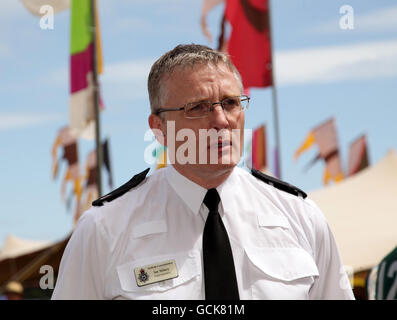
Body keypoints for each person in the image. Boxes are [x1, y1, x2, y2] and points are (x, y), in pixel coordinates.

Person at [52, 44, 354, 300]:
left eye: (231, 103)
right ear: (159, 128)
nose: (221, 120)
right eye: (197, 107)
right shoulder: (104, 228)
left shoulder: (301, 217)